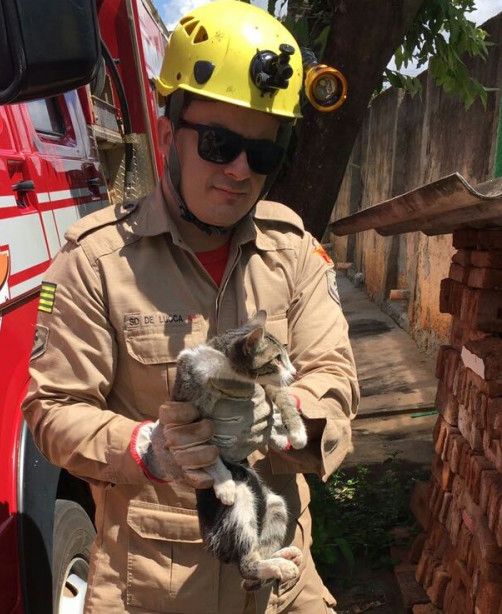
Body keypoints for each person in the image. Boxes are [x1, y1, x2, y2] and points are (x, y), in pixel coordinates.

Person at [22, 1, 359, 612]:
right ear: (166, 127)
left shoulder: (295, 254)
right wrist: (145, 447)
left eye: (262, 154)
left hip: (281, 589)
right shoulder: (97, 261)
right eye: (218, 142)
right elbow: (52, 410)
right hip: (152, 594)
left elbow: (335, 380)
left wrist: (289, 423)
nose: (238, 171)